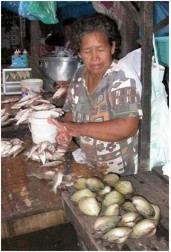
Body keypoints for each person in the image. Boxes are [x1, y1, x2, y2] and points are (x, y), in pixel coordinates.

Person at [48, 14, 142, 175]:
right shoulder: (78, 75)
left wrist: (80, 129)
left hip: (122, 171)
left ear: (112, 47)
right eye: (87, 51)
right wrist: (66, 130)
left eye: (100, 49)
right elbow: (70, 111)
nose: (95, 58)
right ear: (79, 53)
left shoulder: (122, 78)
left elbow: (128, 127)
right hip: (89, 163)